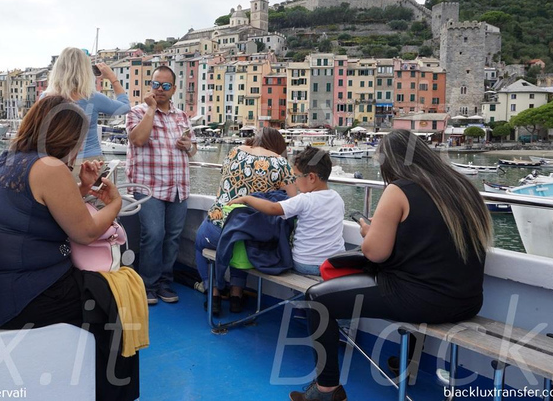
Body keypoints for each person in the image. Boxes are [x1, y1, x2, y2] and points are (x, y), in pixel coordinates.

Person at [292, 130, 492, 401]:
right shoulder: (462, 185)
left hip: (425, 299)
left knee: (318, 298)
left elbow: (374, 253)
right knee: (409, 287)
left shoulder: (399, 189)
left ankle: (327, 389)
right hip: (468, 299)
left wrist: (368, 233)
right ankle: (405, 363)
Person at [0, 95, 139, 401]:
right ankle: (117, 394)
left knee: (102, 293)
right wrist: (114, 203)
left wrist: (82, 190)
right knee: (117, 300)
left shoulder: (6, 161)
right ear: (67, 137)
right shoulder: (50, 167)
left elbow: (37, 208)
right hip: (22, 296)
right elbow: (86, 233)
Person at [195, 127, 296, 315]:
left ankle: (213, 293)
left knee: (202, 242)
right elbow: (295, 200)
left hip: (218, 230)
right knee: (241, 236)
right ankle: (236, 297)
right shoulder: (282, 164)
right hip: (254, 237)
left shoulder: (234, 152)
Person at [126, 65, 194, 306]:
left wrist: (189, 146)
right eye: (156, 84)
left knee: (173, 237)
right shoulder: (137, 112)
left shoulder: (182, 116)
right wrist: (152, 110)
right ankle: (148, 285)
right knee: (153, 234)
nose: (160, 90)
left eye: (166, 86)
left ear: (174, 89)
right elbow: (137, 139)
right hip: (149, 186)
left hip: (178, 185)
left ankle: (165, 281)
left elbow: (192, 149)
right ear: (150, 85)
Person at [229, 146, 345, 276]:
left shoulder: (304, 200)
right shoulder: (337, 198)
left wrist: (247, 199)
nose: (294, 182)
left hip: (306, 264)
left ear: (311, 178)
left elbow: (273, 208)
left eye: (296, 176)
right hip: (334, 264)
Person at [44, 47, 130, 170]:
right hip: (90, 161)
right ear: (86, 71)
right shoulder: (93, 98)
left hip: (57, 162)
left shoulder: (45, 98)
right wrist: (112, 78)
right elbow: (125, 107)